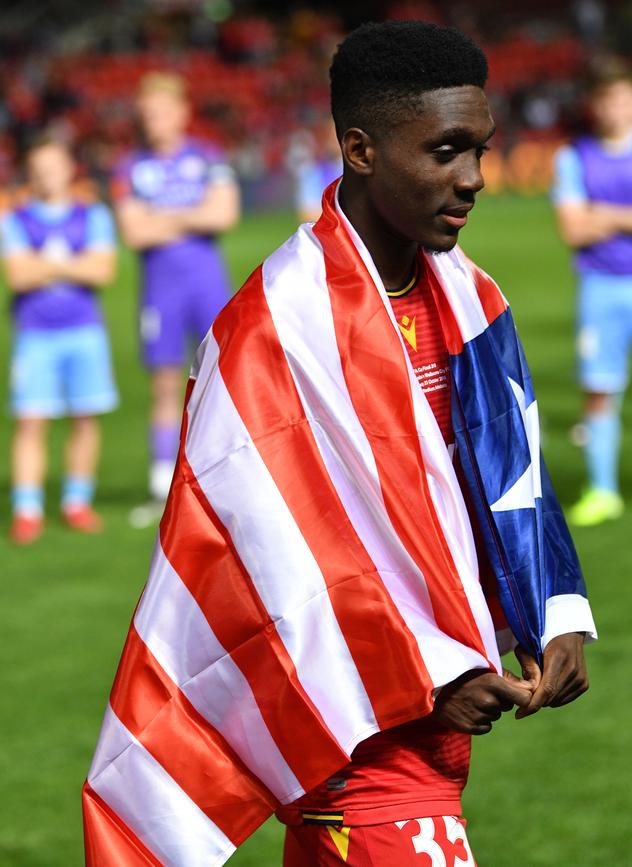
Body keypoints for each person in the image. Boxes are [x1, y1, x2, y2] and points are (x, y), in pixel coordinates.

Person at [84, 22, 596, 867]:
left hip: (425, 734)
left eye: (480, 150)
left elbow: (513, 467)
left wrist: (555, 608)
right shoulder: (273, 327)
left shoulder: (468, 295)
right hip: (354, 739)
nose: (471, 179)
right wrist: (431, 663)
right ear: (360, 149)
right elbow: (275, 551)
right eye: (443, 151)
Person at [112, 72, 240, 524]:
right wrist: (192, 215)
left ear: (182, 112)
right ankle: (162, 488)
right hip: (160, 293)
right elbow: (133, 230)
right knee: (165, 385)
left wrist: (159, 218)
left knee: (219, 382)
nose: (154, 121)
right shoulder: (129, 166)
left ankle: (224, 481)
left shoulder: (207, 157)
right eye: (147, 114)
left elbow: (223, 214)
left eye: (161, 112)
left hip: (207, 287)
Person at [1, 137, 118, 545]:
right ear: (30, 174)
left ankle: (76, 502)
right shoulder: (14, 219)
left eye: (54, 166)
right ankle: (27, 508)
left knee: (85, 418)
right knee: (31, 421)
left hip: (85, 332)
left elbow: (103, 272)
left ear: (70, 169)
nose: (47, 175)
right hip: (35, 335)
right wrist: (75, 264)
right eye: (39, 168)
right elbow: (17, 276)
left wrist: (43, 266)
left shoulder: (94, 215)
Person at [552, 71, 632, 527]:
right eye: (605, 100)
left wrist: (602, 214)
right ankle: (602, 491)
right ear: (596, 105)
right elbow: (572, 229)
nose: (613, 109)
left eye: (622, 99)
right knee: (598, 389)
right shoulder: (574, 156)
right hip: (600, 289)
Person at [294, 119, 343, 223]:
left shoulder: (365, 169)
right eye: (329, 135)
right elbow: (308, 215)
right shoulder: (313, 172)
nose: (332, 140)